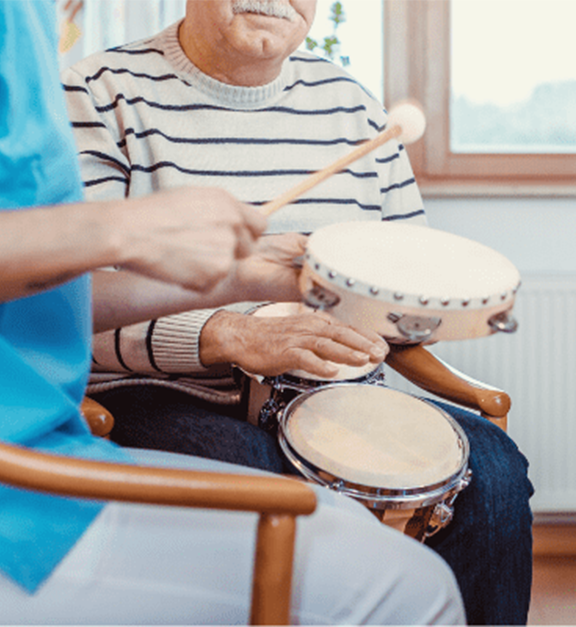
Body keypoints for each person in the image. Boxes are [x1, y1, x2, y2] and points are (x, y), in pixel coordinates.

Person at [0, 2, 463, 623]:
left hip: (34, 450)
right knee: (408, 588)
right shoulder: (61, 64)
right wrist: (116, 232)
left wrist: (235, 280)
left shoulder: (27, 21)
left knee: (371, 519)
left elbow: (40, 293)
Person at [60, 1, 533, 623]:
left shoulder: (356, 107)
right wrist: (229, 335)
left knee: (494, 470)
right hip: (161, 391)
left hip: (335, 394)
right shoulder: (96, 94)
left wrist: (418, 308)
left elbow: (403, 281)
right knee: (257, 480)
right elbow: (64, 300)